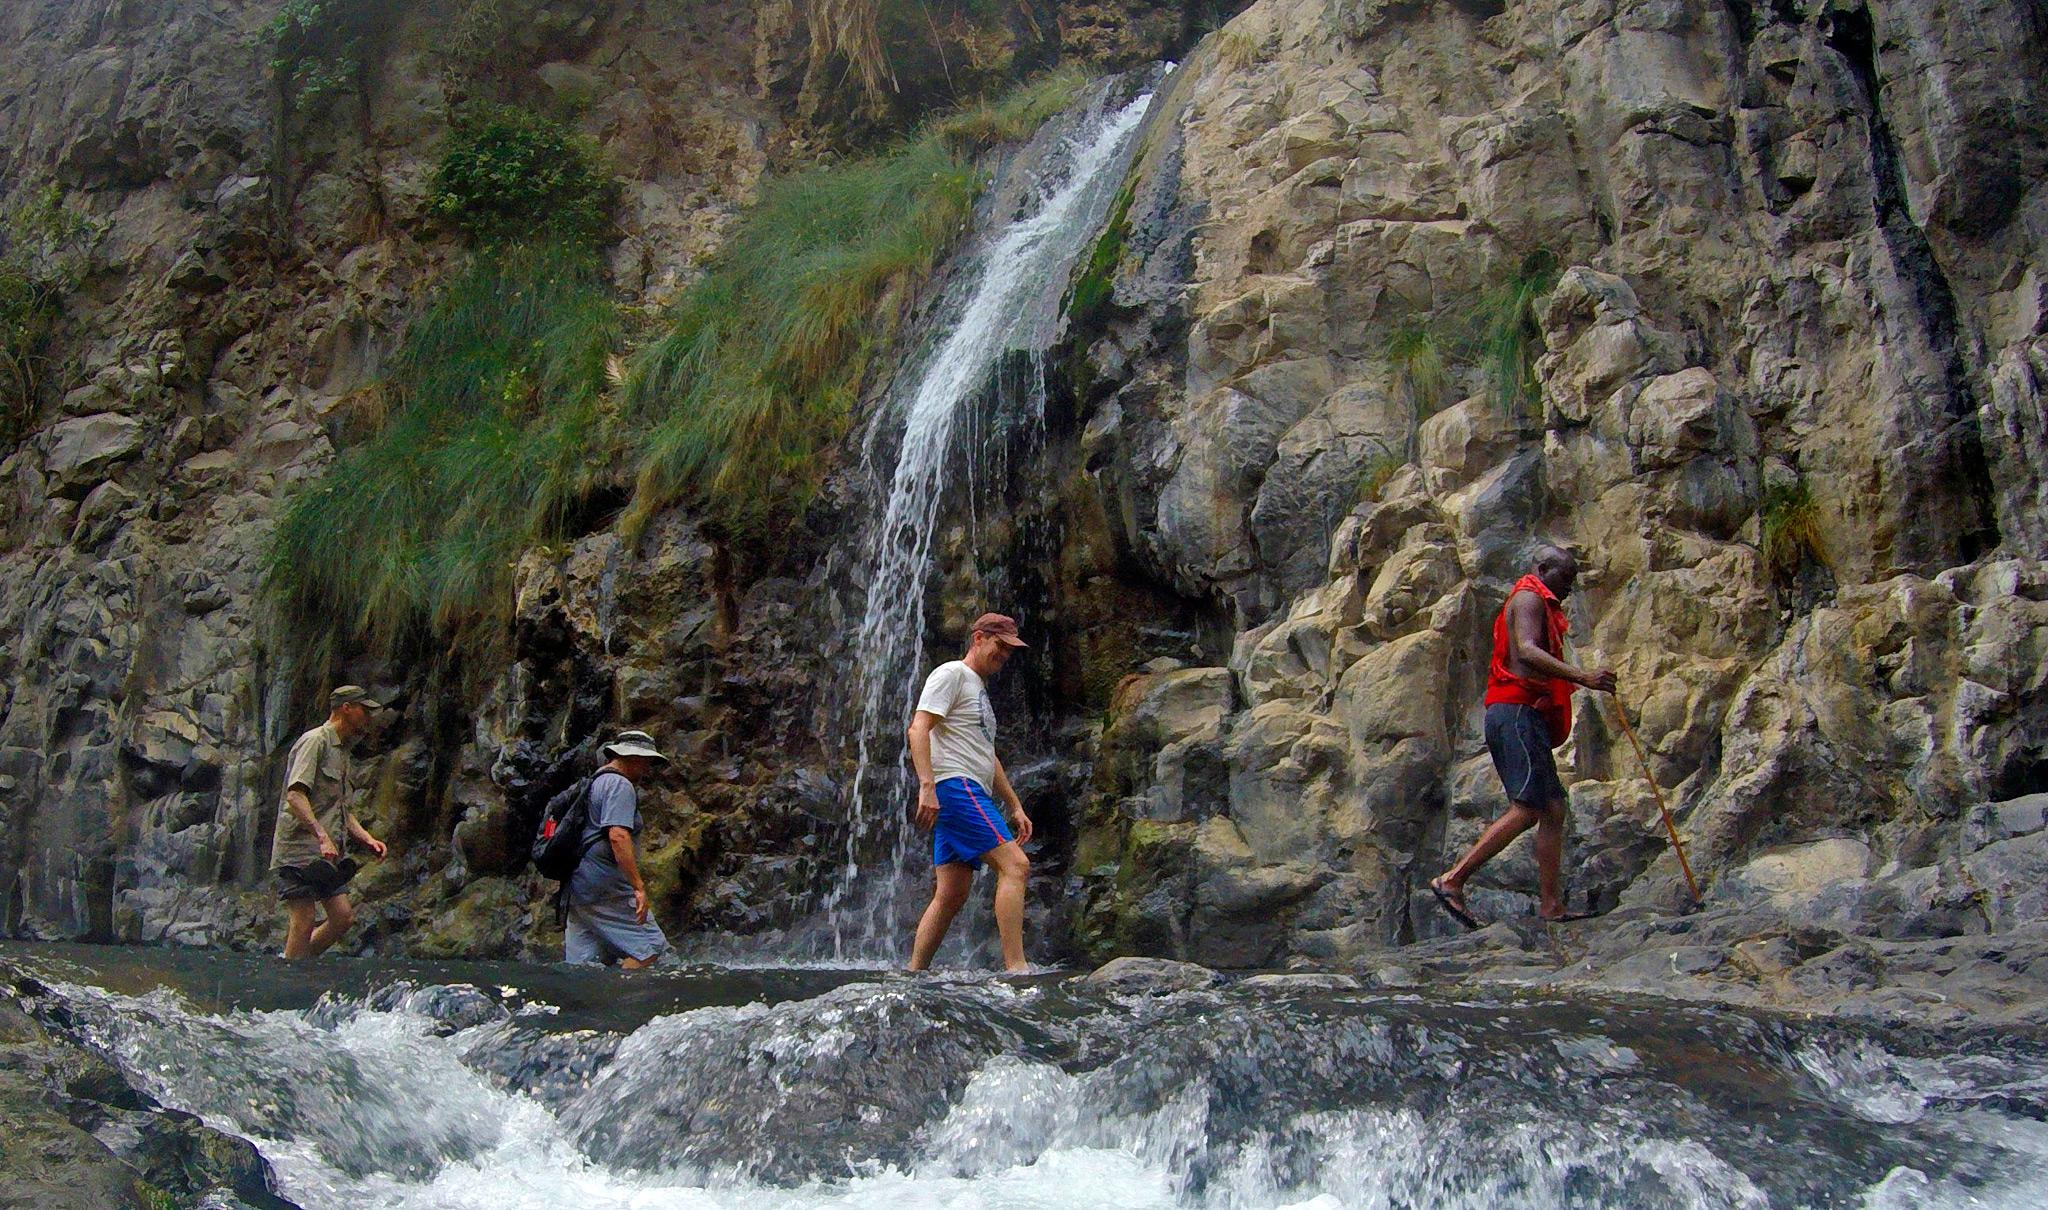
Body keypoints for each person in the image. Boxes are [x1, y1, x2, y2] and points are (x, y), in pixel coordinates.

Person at [1431, 546, 1617, 927]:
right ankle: (1452, 880)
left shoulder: (1535, 598)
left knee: (1553, 808)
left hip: (1521, 714)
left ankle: (1551, 906)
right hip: (1515, 712)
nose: (1568, 588)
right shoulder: (1530, 596)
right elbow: (1527, 650)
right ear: (1542, 568)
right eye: (1564, 578)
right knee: (1529, 807)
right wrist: (1583, 678)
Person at [907, 612, 1037, 972]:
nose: (1004, 655)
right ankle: (1017, 971)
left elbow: (986, 754)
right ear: (978, 638)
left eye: (1010, 651)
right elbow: (918, 729)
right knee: (1016, 866)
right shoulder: (952, 674)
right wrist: (927, 787)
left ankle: (913, 974)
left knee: (951, 893)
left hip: (964, 787)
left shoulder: (976, 689)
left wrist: (1015, 805)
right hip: (956, 786)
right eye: (1000, 646)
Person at [272, 685, 388, 959]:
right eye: (363, 709)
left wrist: (367, 839)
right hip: (298, 849)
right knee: (303, 920)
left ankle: (297, 965)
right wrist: (321, 835)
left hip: (324, 856)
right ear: (346, 708)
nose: (367, 717)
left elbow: (342, 809)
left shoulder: (341, 752)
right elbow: (295, 795)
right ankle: (291, 981)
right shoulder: (315, 741)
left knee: (343, 917)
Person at [564, 730, 671, 968]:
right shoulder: (620, 785)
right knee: (651, 949)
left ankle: (584, 1004)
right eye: (646, 762)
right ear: (633, 757)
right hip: (605, 886)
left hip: (577, 885)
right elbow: (618, 835)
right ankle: (624, 1001)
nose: (647, 769)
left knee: (583, 966)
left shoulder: (595, 782)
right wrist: (638, 887)